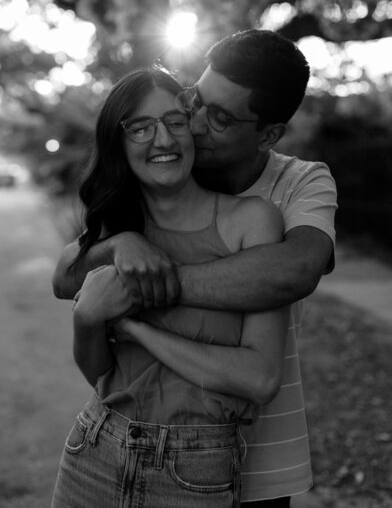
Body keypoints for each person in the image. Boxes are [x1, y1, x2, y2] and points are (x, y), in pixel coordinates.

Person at [52, 30, 337, 506]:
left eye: (221, 117)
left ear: (266, 134)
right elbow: (67, 278)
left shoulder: (296, 184)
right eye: (196, 101)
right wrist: (117, 249)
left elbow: (293, 272)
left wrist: (141, 292)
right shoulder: (164, 173)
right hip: (102, 445)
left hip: (249, 455)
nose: (196, 124)